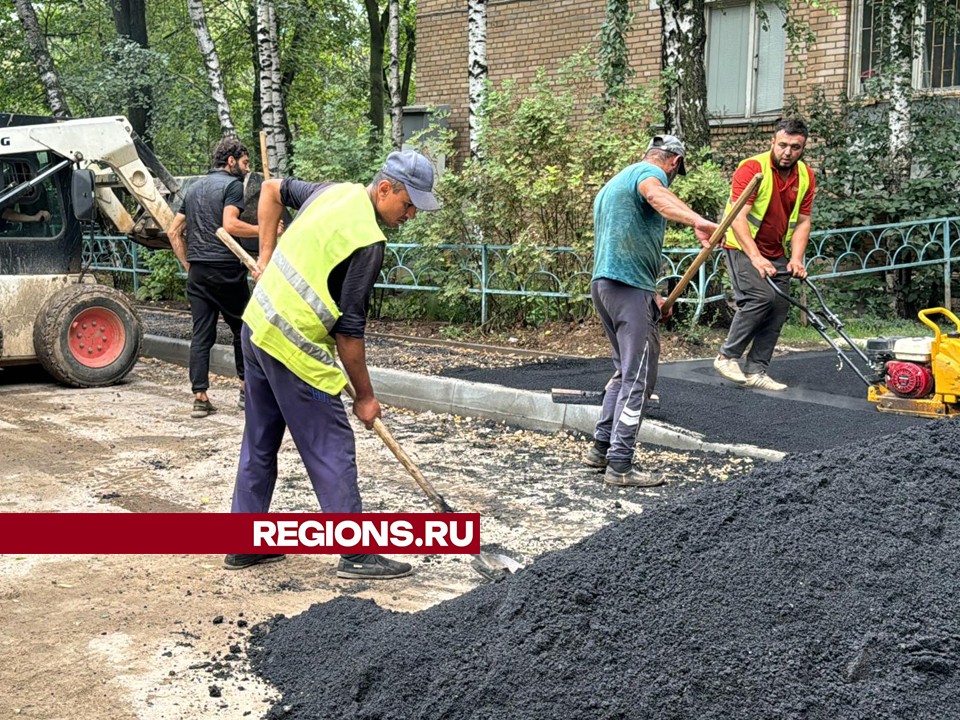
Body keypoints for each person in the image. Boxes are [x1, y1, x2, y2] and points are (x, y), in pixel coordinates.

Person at [224, 150, 441, 577]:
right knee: (332, 445)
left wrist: (266, 257)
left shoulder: (331, 192)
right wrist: (366, 397)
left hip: (257, 327)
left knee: (260, 440)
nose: (412, 214)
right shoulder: (368, 242)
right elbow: (349, 332)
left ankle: (242, 543)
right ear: (385, 188)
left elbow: (271, 190)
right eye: (409, 203)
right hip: (293, 346)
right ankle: (356, 553)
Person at [584, 135, 718, 487]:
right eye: (676, 172)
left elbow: (625, 243)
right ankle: (621, 464)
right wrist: (698, 222)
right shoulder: (647, 175)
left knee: (623, 372)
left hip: (608, 286)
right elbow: (657, 196)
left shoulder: (615, 182)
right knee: (638, 378)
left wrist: (653, 295)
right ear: (674, 162)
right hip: (626, 288)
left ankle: (601, 449)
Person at [712, 118, 815, 391]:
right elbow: (738, 217)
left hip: (776, 250)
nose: (787, 152)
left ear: (803, 147)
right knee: (760, 297)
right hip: (742, 246)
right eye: (782, 145)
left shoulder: (805, 176)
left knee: (780, 305)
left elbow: (803, 220)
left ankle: (757, 369)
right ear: (773, 142)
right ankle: (727, 356)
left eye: (795, 147)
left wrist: (796, 259)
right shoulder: (752, 169)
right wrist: (756, 258)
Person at [167, 138, 260, 418]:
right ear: (230, 161)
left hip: (198, 273)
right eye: (244, 163)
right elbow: (230, 224)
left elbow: (174, 231)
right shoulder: (232, 186)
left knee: (201, 334)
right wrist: (263, 228)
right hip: (226, 271)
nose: (247, 169)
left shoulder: (193, 188)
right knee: (244, 328)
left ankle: (200, 396)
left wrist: (187, 263)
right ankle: (245, 390)